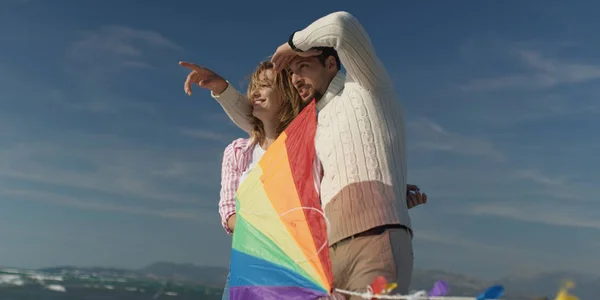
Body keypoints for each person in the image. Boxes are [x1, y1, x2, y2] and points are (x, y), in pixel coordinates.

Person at [182, 11, 417, 298]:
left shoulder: (365, 86)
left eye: (303, 66)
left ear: (331, 63)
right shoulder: (312, 125)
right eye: (291, 72)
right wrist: (223, 90)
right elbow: (265, 128)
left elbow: (342, 25)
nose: (295, 78)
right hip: (326, 256)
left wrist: (290, 47)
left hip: (373, 237)